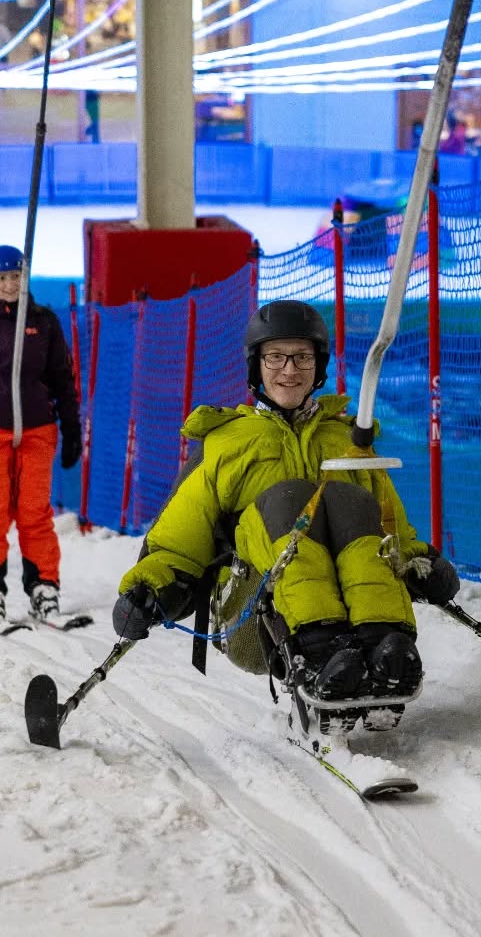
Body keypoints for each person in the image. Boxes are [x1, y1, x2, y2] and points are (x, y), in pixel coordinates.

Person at [110, 300, 460, 716]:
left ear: (318, 365)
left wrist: (421, 563)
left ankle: (387, 648)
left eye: (302, 357)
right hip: (255, 616)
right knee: (289, 499)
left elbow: (390, 528)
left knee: (350, 500)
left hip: (354, 604)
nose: (289, 370)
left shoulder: (347, 439)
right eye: (275, 357)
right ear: (255, 365)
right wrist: (149, 589)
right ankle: (320, 654)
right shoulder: (225, 444)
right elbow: (177, 539)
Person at [0, 245, 82, 630]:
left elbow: (61, 378)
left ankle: (43, 585)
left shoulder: (43, 321)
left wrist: (71, 426)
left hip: (38, 427)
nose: (10, 284)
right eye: (2, 278)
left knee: (35, 512)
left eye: (16, 276)